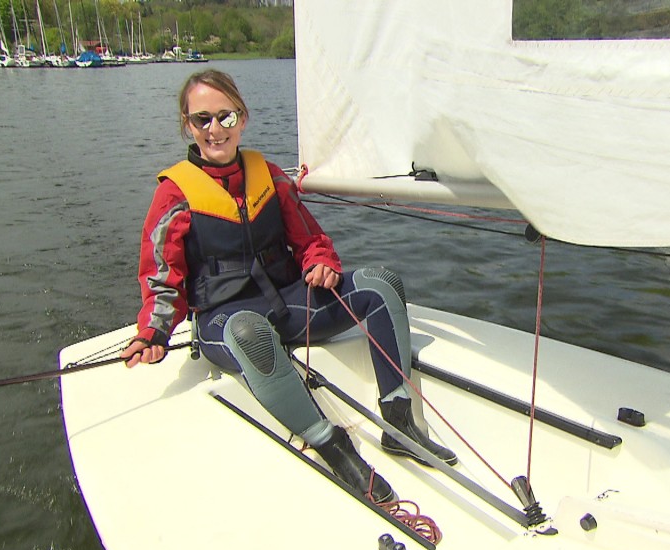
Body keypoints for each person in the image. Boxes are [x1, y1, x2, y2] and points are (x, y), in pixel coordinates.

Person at [120, 69, 457, 504]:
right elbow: (161, 275)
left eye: (225, 116)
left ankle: (398, 421)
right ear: (187, 125)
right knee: (250, 332)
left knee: (382, 283)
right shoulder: (174, 193)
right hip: (225, 321)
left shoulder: (269, 175)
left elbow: (310, 239)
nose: (215, 129)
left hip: (285, 304)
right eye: (202, 119)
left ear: (243, 118)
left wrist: (321, 263)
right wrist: (154, 332)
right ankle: (333, 446)